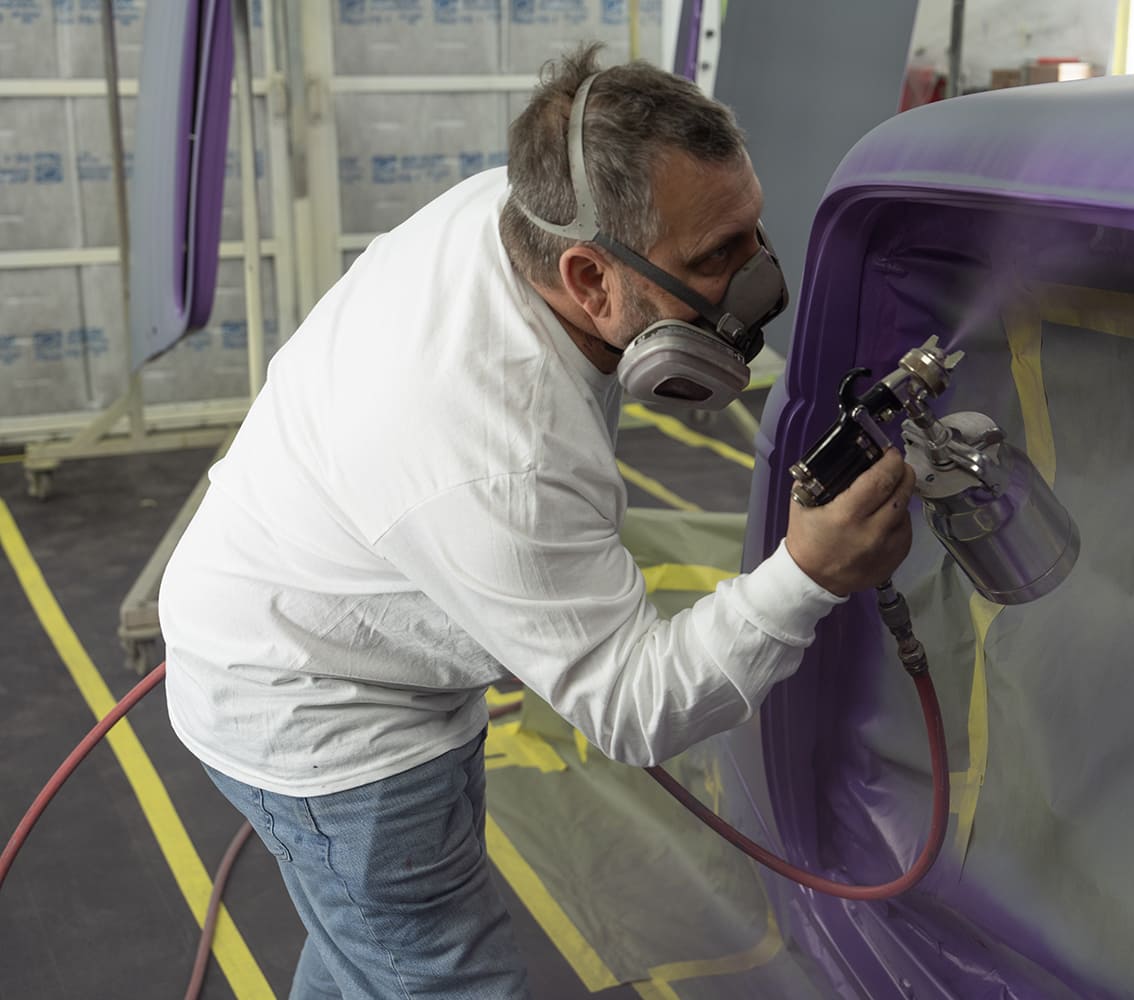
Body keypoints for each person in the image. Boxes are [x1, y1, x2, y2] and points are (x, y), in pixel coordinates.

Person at [159, 43, 914, 999]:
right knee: (436, 972)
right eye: (716, 258)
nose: (760, 281)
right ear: (590, 279)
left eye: (752, 235)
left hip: (309, 606)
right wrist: (807, 574)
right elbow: (635, 708)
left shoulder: (522, 205)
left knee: (364, 949)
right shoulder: (502, 451)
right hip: (323, 716)